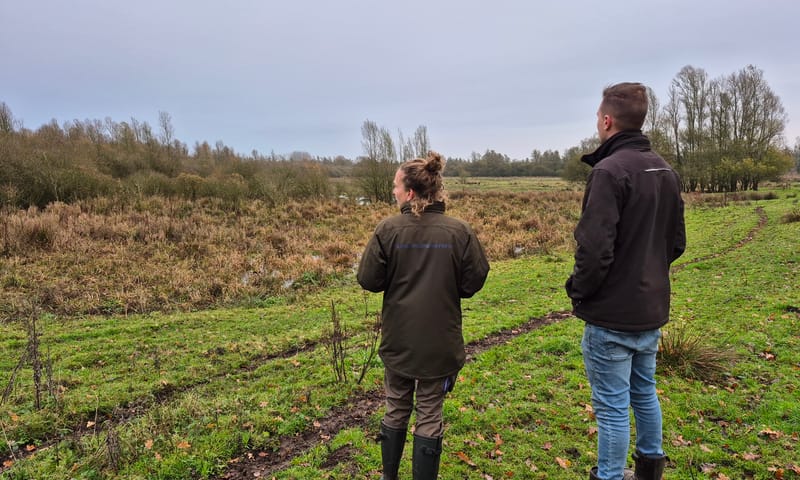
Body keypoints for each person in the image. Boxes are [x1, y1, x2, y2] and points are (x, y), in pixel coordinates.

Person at [565, 83, 686, 480]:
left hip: (611, 316)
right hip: (650, 309)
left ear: (606, 120)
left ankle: (610, 476)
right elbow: (677, 242)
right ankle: (650, 468)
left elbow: (594, 249)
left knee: (613, 407)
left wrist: (579, 291)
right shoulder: (665, 170)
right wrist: (647, 271)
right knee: (644, 392)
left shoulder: (608, 172)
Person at [357, 151, 490, 480]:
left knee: (396, 406)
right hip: (439, 343)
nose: (393, 191)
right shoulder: (459, 232)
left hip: (399, 341)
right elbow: (474, 281)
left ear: (411, 193)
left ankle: (390, 476)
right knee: (430, 412)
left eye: (396, 186)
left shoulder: (388, 230)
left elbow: (368, 280)